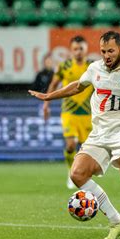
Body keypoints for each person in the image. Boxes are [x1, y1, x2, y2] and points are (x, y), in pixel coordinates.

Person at [29, 31, 120, 239]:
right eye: (103, 51)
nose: (106, 55)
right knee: (77, 173)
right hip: (99, 132)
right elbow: (77, 86)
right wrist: (49, 96)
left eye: (111, 51)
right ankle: (116, 220)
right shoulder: (95, 68)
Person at [44, 36, 93, 189]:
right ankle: (70, 172)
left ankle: (81, 174)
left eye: (81, 49)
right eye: (75, 49)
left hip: (88, 113)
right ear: (71, 51)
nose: (78, 52)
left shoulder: (93, 67)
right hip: (69, 112)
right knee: (71, 145)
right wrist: (46, 104)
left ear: (86, 50)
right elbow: (53, 84)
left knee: (86, 148)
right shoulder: (63, 67)